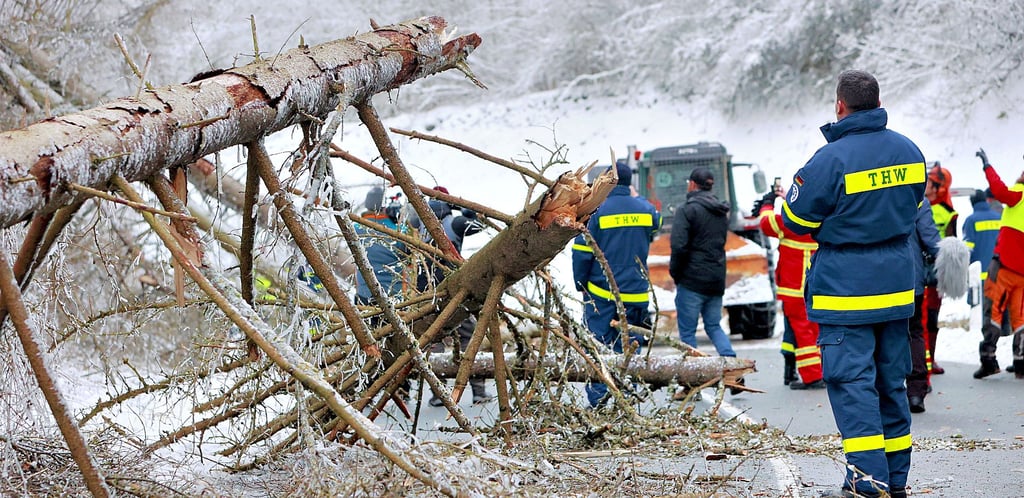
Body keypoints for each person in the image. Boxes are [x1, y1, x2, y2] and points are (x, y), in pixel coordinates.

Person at [781, 70, 923, 498]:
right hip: (897, 288)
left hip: (846, 292)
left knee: (852, 385)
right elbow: (913, 204)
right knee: (890, 384)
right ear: (877, 102)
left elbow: (797, 220)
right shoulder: (909, 151)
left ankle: (866, 483)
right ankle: (894, 481)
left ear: (839, 105)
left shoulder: (830, 160)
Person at [571, 161, 661, 407]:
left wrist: (580, 284)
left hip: (602, 295)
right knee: (630, 348)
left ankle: (599, 400)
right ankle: (628, 396)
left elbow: (581, 253)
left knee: (598, 347)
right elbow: (657, 224)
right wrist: (635, 198)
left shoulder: (595, 212)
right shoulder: (646, 210)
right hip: (637, 294)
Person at [412, 186, 494, 405]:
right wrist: (466, 211)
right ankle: (477, 390)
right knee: (469, 337)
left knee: (433, 340)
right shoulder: (454, 223)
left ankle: (438, 394)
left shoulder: (418, 224)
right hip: (454, 291)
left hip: (425, 294)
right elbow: (479, 225)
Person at [755, 183, 824, 390]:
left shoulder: (790, 224)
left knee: (802, 331)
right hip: (819, 286)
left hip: (795, 289)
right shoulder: (821, 219)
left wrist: (767, 204)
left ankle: (812, 376)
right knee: (815, 330)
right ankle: (820, 371)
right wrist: (786, 198)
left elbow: (767, 223)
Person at [669, 167, 736, 359]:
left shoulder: (687, 210)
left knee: (688, 332)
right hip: (716, 279)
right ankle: (732, 364)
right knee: (714, 326)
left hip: (691, 280)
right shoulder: (721, 211)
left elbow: (678, 246)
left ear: (691, 184)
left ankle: (693, 374)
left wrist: (676, 274)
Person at [977, 148, 1024, 378]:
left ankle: (989, 359)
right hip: (1023, 273)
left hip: (1004, 266)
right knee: (1020, 317)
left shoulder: (1020, 194)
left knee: (993, 312)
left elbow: (998, 190)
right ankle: (1021, 363)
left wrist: (987, 165)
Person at [964, 188, 1012, 378]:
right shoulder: (999, 216)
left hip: (983, 279)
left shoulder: (971, 220)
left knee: (989, 319)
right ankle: (1018, 359)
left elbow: (968, 250)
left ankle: (989, 360)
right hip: (1005, 274)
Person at [923, 163, 957, 375]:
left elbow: (952, 243)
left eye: (929, 182)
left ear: (937, 188)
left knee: (930, 317)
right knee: (924, 316)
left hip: (933, 270)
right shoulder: (920, 207)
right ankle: (925, 359)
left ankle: (929, 359)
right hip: (927, 270)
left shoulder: (944, 212)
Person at [908, 199, 941, 413]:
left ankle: (884, 389)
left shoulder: (871, 189)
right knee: (914, 333)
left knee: (881, 333)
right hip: (911, 278)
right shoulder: (917, 199)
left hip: (875, 279)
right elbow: (931, 240)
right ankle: (916, 393)